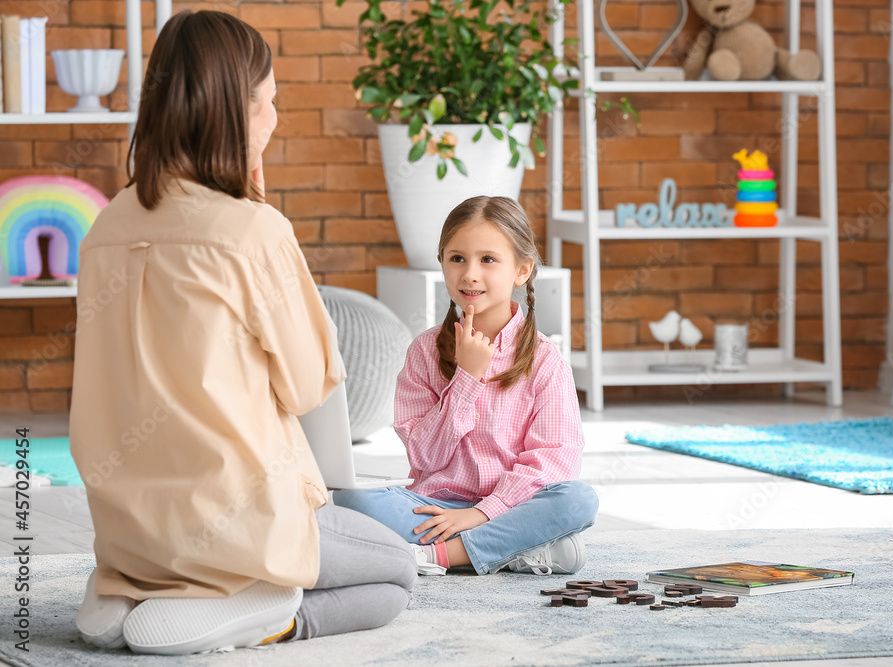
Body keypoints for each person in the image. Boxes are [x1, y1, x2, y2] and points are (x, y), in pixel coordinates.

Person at [68, 10, 415, 655]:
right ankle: (267, 608)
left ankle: (134, 590)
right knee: (396, 575)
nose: (276, 119)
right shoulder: (252, 232)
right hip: (239, 522)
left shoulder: (104, 228)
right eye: (269, 102)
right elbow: (311, 385)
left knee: (359, 547)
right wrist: (260, 210)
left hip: (127, 533)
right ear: (234, 109)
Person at [333, 196, 599, 576]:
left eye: (488, 260)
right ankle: (517, 548)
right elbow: (426, 457)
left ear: (522, 270)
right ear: (442, 262)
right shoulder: (425, 351)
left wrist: (481, 513)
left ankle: (439, 557)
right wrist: (467, 380)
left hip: (510, 505)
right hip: (436, 508)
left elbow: (553, 462)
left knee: (577, 500)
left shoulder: (544, 359)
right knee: (349, 498)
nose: (469, 274)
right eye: (457, 258)